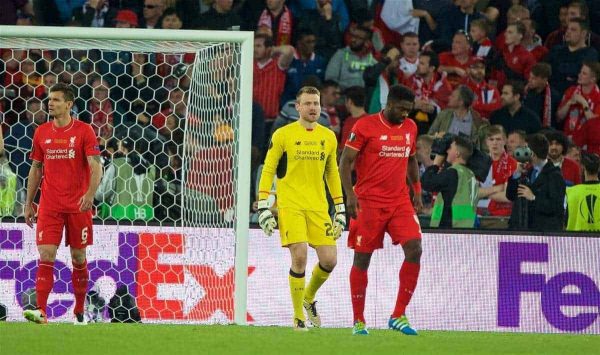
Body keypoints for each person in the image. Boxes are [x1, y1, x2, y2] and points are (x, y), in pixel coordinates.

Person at [256, 86, 345, 331]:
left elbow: (332, 173)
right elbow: (268, 169)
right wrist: (264, 205)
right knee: (300, 256)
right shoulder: (283, 134)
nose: (313, 107)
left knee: (330, 260)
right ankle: (297, 317)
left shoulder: (328, 136)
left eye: (316, 103)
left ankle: (307, 298)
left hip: (318, 207)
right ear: (298, 107)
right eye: (307, 103)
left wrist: (340, 207)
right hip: (290, 204)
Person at [339, 84, 423, 336]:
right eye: (401, 109)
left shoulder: (410, 127)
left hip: (399, 201)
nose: (405, 114)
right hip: (368, 202)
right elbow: (345, 161)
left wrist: (417, 191)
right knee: (362, 258)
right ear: (388, 104)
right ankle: (358, 320)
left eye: (409, 110)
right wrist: (350, 195)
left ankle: (398, 314)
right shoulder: (364, 126)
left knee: (415, 248)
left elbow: (411, 160)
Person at [23, 84, 103, 324]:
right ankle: (41, 311)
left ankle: (79, 310)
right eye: (50, 99)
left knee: (78, 257)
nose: (51, 103)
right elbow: (36, 169)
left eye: (56, 100)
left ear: (69, 104)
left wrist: (90, 194)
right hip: (49, 205)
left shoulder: (84, 131)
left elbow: (96, 165)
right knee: (46, 254)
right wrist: (29, 203)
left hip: (78, 205)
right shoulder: (41, 132)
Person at [506, 133, 566, 231]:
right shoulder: (527, 172)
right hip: (522, 230)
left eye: (526, 150)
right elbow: (510, 195)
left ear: (532, 154)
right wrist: (516, 174)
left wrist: (533, 198)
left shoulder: (555, 176)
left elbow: (556, 207)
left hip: (543, 234)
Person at [422, 135, 480, 228]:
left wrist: (436, 164)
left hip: (449, 230)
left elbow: (426, 182)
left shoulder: (453, 173)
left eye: (450, 148)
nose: (447, 151)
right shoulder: (470, 174)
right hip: (466, 227)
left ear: (457, 153)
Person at [566, 152, 600, 231]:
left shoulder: (572, 191)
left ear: (583, 168)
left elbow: (565, 221)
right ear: (598, 168)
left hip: (576, 241)